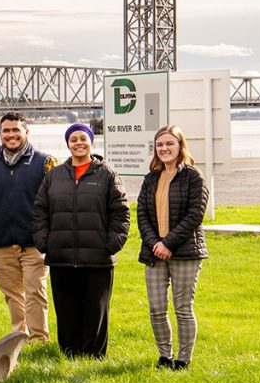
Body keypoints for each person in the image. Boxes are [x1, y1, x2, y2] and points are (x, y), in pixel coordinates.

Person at [31, 123, 130, 359]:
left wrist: (111, 244)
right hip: (61, 257)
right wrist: (45, 243)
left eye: (83, 138)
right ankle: (69, 354)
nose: (78, 143)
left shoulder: (106, 174)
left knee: (95, 309)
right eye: (73, 139)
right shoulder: (54, 175)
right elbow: (39, 211)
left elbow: (121, 212)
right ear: (68, 143)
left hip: (97, 258)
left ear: (91, 142)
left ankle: (93, 355)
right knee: (66, 309)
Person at [0, 112, 58, 342]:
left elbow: (56, 201)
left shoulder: (46, 162)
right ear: (0, 133)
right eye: (6, 131)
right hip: (2, 243)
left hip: (34, 244)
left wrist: (45, 233)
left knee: (35, 292)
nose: (11, 135)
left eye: (16, 130)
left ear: (26, 132)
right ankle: (20, 337)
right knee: (12, 295)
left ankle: (39, 338)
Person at [136, 125, 209, 370]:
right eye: (160, 145)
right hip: (154, 252)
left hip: (185, 252)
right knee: (156, 309)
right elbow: (142, 214)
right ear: (155, 149)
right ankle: (165, 356)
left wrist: (168, 243)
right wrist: (156, 243)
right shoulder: (151, 178)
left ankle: (183, 360)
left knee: (183, 308)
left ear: (180, 146)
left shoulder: (193, 176)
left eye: (170, 144)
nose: (164, 148)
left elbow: (195, 215)